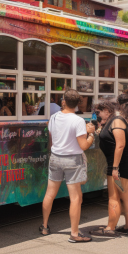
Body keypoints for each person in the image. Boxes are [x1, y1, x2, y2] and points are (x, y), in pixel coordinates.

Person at [40, 89, 96, 243]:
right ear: (78, 103)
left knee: (50, 194)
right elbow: (83, 145)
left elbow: (52, 140)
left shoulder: (53, 118)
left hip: (55, 158)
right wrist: (91, 134)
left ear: (63, 101)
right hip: (72, 161)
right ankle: (74, 233)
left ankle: (44, 227)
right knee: (76, 198)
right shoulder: (78, 121)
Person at [90, 96, 128, 237]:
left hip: (119, 165)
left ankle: (110, 228)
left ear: (107, 110)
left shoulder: (117, 120)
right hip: (122, 164)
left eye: (98, 112)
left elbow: (120, 144)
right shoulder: (115, 120)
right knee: (127, 197)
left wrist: (115, 168)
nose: (97, 116)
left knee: (114, 197)